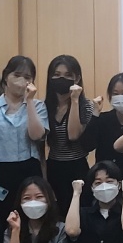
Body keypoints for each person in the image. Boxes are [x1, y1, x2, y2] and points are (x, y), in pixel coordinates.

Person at [0, 55, 47, 208]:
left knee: (30, 211)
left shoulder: (38, 106)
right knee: (0, 213)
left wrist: (30, 100)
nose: (21, 80)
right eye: (17, 75)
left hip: (30, 168)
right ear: (6, 76)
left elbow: (36, 135)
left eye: (27, 77)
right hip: (0, 169)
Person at [43, 55, 96, 216]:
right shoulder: (45, 107)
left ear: (76, 78)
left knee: (79, 213)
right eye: (57, 75)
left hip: (78, 167)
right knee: (56, 214)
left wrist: (74, 101)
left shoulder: (86, 106)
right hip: (54, 166)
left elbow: (73, 135)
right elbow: (39, 143)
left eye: (67, 75)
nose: (62, 79)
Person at [91, 72, 123, 171]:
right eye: (115, 93)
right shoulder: (102, 120)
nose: (120, 97)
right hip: (104, 177)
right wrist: (95, 114)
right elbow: (88, 145)